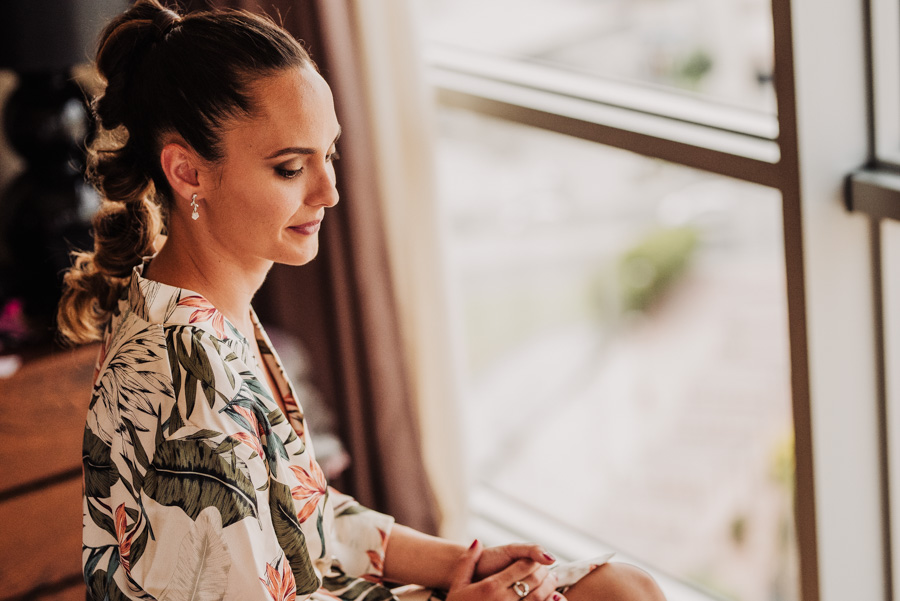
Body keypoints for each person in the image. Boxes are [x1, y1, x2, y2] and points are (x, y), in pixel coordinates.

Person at [58, 2, 667, 600]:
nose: (330, 191)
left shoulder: (213, 314)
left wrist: (463, 562)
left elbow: (307, 510)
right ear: (188, 172)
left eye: (330, 155)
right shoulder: (184, 376)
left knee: (620, 587)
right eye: (291, 168)